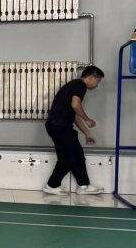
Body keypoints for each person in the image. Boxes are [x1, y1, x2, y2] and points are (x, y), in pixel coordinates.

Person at [43, 66, 105, 196]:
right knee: (68, 158)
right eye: (97, 81)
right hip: (58, 126)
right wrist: (87, 119)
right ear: (90, 77)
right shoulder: (80, 85)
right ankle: (52, 185)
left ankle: (84, 186)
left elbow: (74, 115)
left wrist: (87, 133)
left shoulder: (74, 85)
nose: (97, 85)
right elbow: (75, 105)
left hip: (61, 126)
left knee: (78, 156)